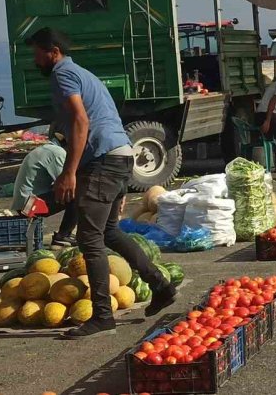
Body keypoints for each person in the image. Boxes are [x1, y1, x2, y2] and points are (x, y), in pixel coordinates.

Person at [27, 28, 173, 339]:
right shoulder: (83, 72)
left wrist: (70, 172)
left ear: (52, 51)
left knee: (89, 240)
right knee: (109, 232)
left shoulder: (62, 74)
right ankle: (161, 285)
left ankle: (102, 316)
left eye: (37, 54)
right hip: (121, 154)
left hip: (104, 158)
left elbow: (82, 121)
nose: (34, 60)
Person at [11, 135, 77, 247]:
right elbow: (66, 184)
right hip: (29, 206)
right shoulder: (57, 153)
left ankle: (66, 234)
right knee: (78, 195)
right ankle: (63, 235)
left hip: (24, 203)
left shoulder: (47, 149)